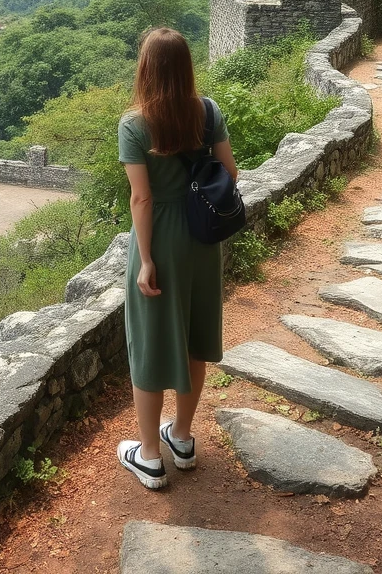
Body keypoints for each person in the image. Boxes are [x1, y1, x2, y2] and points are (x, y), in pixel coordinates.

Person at [116, 27, 238, 490]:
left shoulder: (135, 124)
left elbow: (141, 200)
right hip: (203, 240)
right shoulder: (207, 112)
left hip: (161, 240)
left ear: (146, 70)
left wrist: (146, 259)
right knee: (195, 335)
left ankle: (149, 455)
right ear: (186, 67)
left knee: (148, 345)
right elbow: (229, 172)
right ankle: (181, 438)